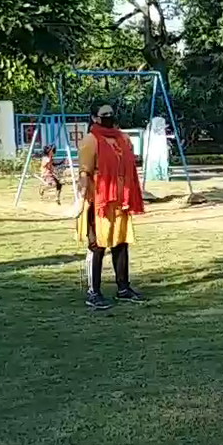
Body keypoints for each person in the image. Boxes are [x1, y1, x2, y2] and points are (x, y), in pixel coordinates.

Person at [77, 104, 146, 310]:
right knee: (97, 246)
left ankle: (123, 289)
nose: (108, 117)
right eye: (103, 115)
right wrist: (84, 199)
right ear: (94, 118)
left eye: (110, 114)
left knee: (121, 243)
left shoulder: (123, 139)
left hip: (120, 202)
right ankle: (93, 292)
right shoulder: (91, 141)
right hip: (99, 202)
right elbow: (84, 172)